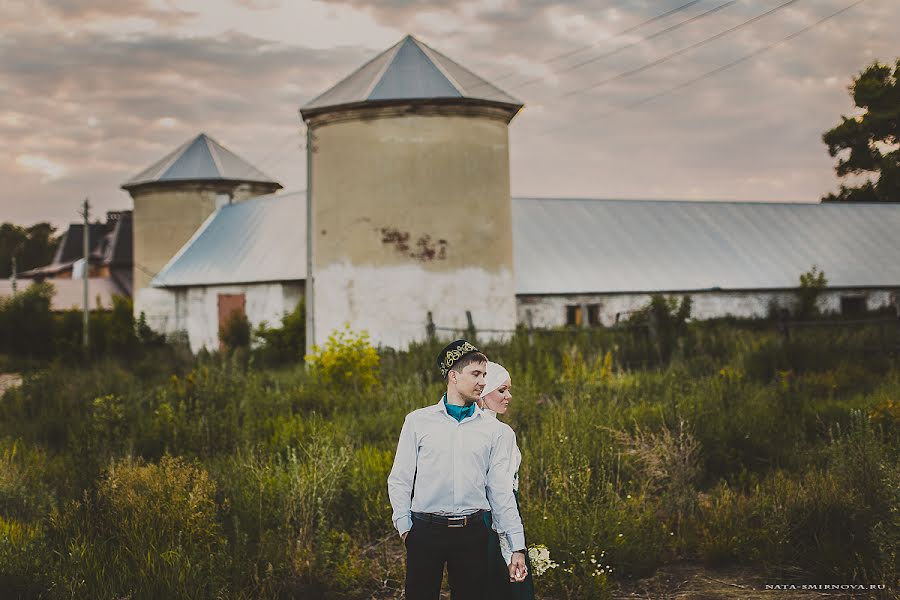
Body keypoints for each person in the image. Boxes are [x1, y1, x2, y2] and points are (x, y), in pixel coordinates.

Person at [388, 340, 528, 600]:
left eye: (485, 375)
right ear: (453, 376)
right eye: (476, 374)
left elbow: (500, 492)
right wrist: (406, 528)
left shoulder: (494, 431)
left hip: (472, 534)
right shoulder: (418, 422)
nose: (483, 382)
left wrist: (515, 547)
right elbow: (399, 479)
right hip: (425, 531)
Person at [478, 361, 535, 600]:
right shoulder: (498, 432)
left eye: (508, 389)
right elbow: (500, 490)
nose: (508, 396)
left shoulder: (491, 428)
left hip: (488, 515)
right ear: (482, 391)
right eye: (501, 390)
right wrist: (513, 545)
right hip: (493, 514)